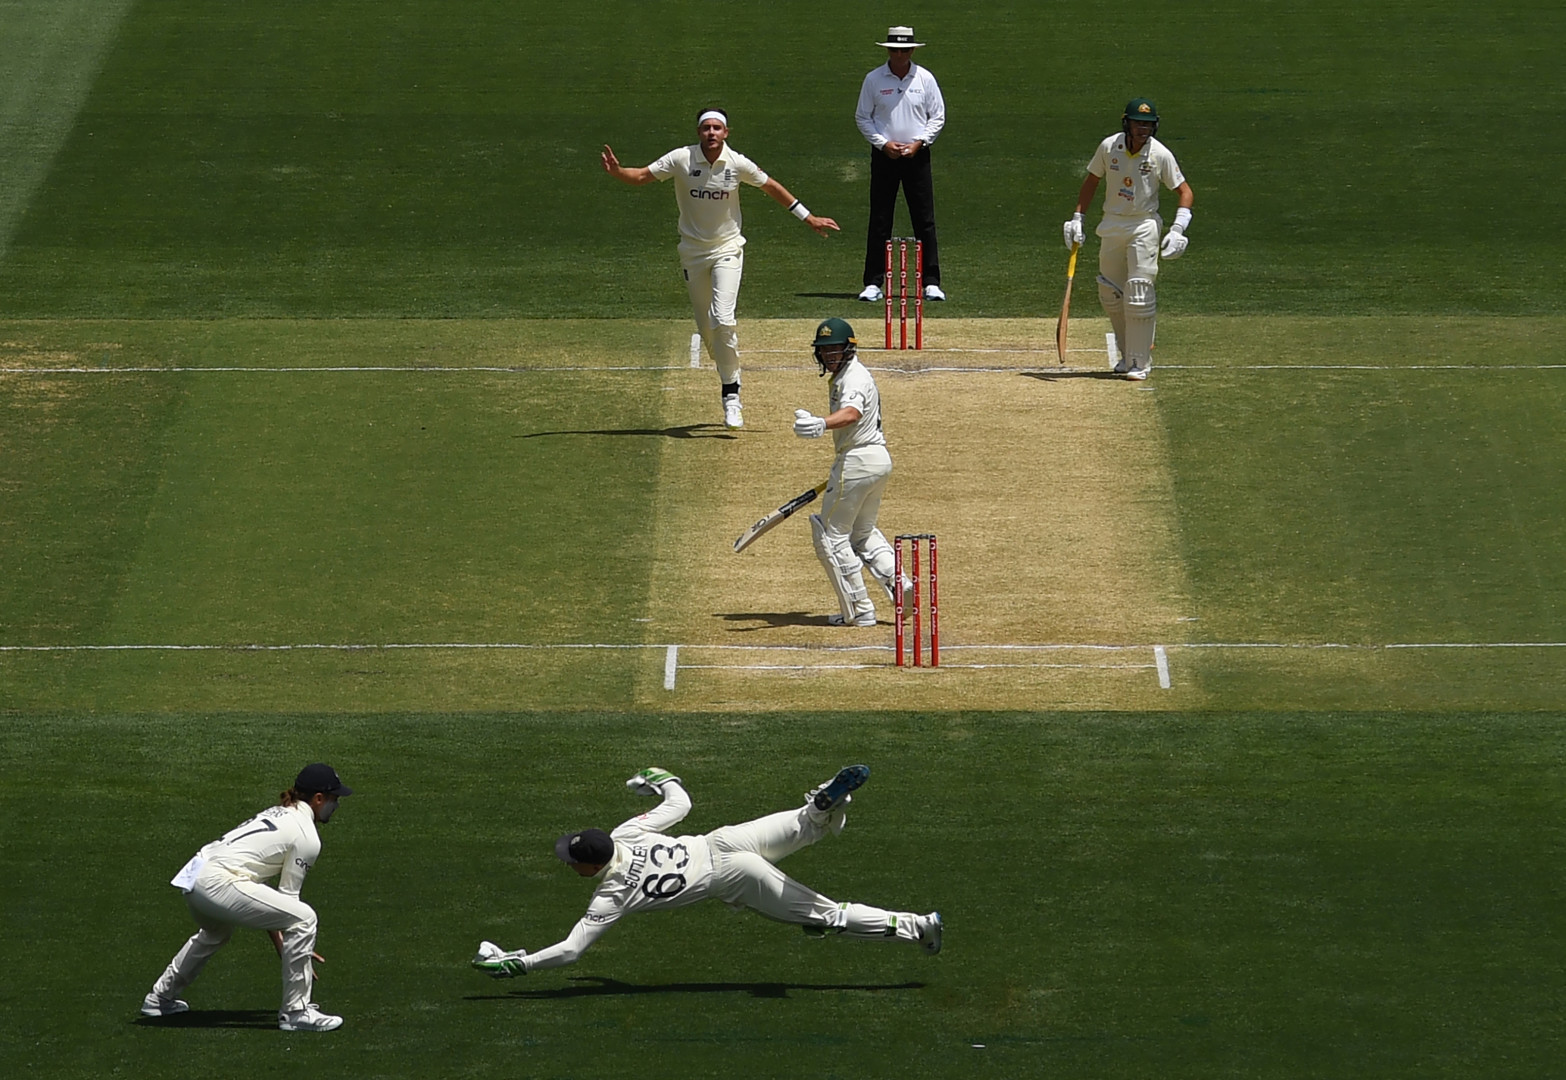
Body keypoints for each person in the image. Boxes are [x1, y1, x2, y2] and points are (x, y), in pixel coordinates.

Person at [471, 764, 941, 976]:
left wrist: (522, 963)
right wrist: (655, 778)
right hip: (723, 839)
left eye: (572, 861)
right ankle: (823, 804)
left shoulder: (612, 895)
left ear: (592, 864)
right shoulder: (625, 834)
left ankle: (917, 927)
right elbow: (681, 801)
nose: (569, 865)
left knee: (825, 916)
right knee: (805, 824)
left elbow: (573, 951)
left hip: (734, 876)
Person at [602, 109, 839, 430]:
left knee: (724, 319)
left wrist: (808, 217)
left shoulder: (737, 163)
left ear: (726, 132)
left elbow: (770, 186)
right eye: (706, 128)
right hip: (692, 254)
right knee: (709, 333)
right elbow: (643, 176)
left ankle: (732, 396)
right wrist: (618, 172)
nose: (711, 133)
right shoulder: (681, 158)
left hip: (728, 250)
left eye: (717, 128)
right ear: (699, 132)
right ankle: (724, 361)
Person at [141, 763, 353, 1033]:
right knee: (305, 918)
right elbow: (289, 902)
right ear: (318, 798)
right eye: (334, 799)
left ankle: (160, 998)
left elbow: (273, 905)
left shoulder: (278, 813)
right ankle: (296, 1012)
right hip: (218, 881)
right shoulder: (306, 835)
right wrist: (292, 948)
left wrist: (288, 945)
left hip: (194, 877)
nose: (337, 805)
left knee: (215, 933)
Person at [1063, 98, 1195, 381]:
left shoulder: (1159, 154)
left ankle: (1140, 361)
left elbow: (1185, 191)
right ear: (1127, 123)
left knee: (1138, 291)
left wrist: (1178, 229)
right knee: (1110, 292)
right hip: (1112, 223)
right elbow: (1091, 181)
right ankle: (1127, 356)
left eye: (1148, 124)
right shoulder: (1109, 147)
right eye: (1138, 123)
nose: (1143, 129)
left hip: (1143, 225)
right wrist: (1077, 218)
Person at [792, 318, 908, 627]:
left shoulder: (853, 377)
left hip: (857, 460)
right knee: (862, 533)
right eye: (824, 350)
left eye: (834, 349)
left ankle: (859, 609)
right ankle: (901, 586)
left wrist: (821, 423)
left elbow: (852, 413)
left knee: (832, 538)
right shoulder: (849, 374)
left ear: (848, 349)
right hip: (877, 461)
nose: (829, 356)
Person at [855, 26, 947, 304]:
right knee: (880, 219)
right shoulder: (873, 79)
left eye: (905, 50)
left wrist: (919, 142)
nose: (900, 54)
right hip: (885, 157)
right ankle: (873, 282)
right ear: (888, 50)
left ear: (912, 51)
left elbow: (938, 117)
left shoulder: (925, 79)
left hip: (917, 156)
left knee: (924, 220)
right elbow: (863, 117)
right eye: (895, 50)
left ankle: (931, 282)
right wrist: (883, 144)